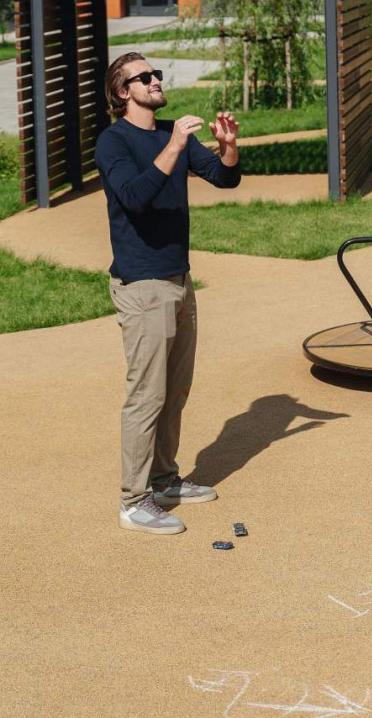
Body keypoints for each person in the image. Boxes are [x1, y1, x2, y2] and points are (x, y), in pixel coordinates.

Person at [95, 52, 241, 536]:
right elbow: (135, 197)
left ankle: (163, 481)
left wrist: (228, 148)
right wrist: (175, 145)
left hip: (179, 279)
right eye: (144, 77)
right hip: (142, 284)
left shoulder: (170, 135)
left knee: (175, 389)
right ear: (123, 92)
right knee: (147, 394)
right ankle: (134, 501)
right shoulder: (114, 141)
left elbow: (224, 177)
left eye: (156, 74)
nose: (155, 80)